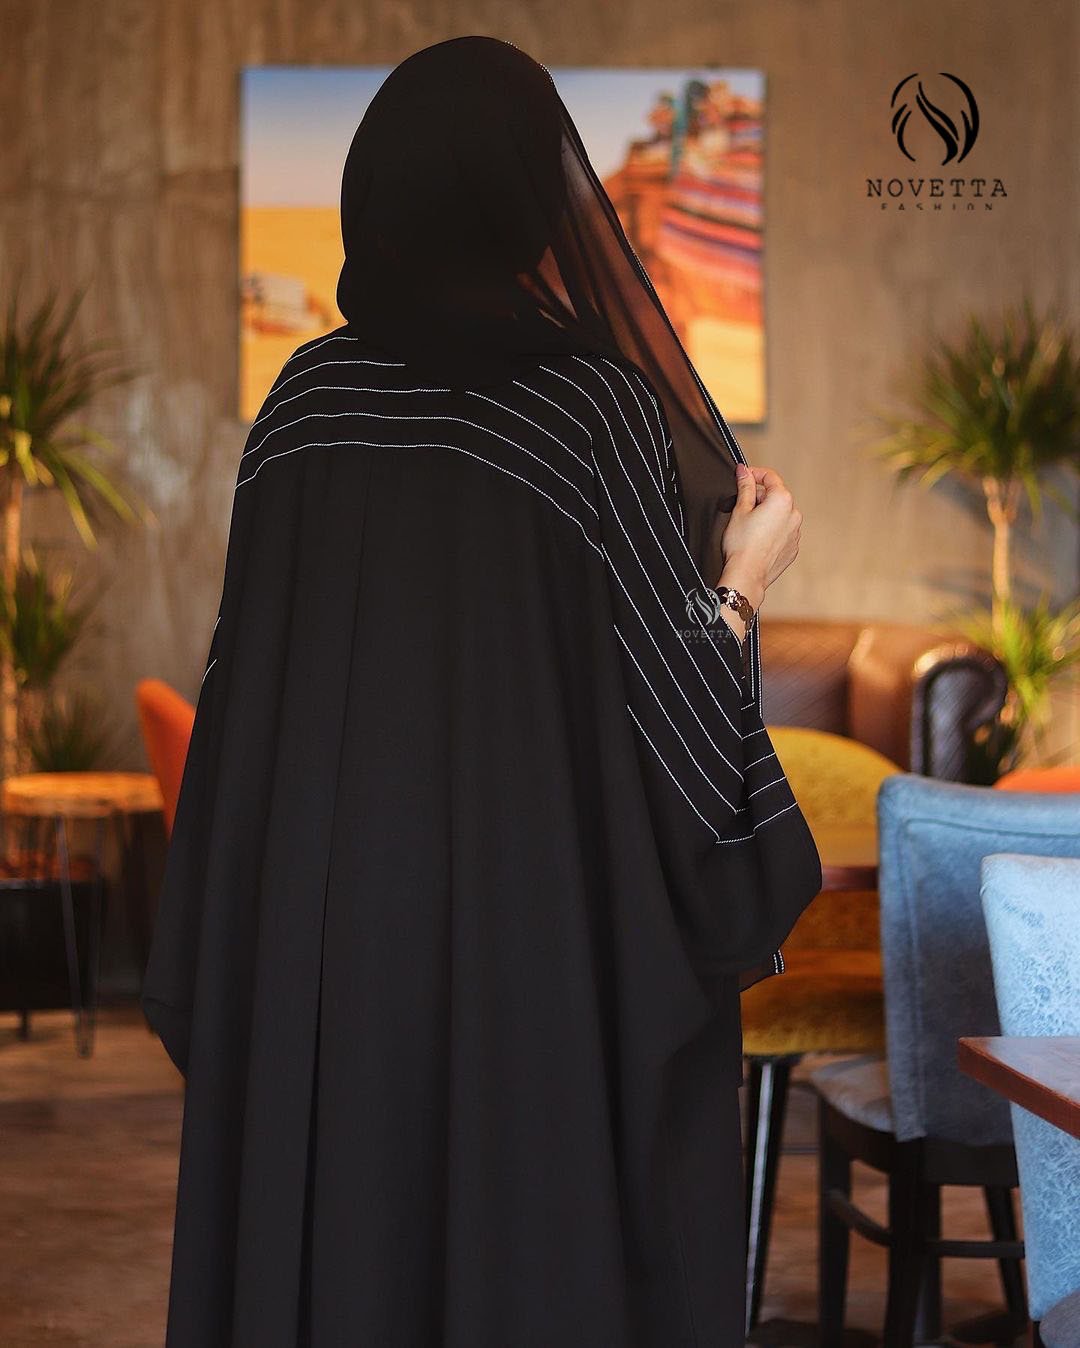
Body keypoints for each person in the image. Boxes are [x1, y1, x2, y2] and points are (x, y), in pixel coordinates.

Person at [142, 35, 822, 1348]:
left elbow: (241, 720)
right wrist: (742, 582)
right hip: (527, 978)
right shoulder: (591, 412)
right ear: (532, 203)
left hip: (317, 978)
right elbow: (672, 739)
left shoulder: (304, 405)